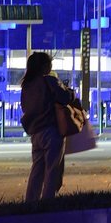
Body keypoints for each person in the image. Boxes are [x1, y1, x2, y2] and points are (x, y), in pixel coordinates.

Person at [20, 51, 75, 202]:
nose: (51, 66)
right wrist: (70, 92)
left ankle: (31, 202)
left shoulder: (26, 85)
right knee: (52, 170)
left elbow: (25, 107)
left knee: (37, 170)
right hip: (51, 130)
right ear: (44, 66)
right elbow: (64, 97)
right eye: (49, 63)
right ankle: (48, 202)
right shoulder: (49, 81)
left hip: (35, 132)